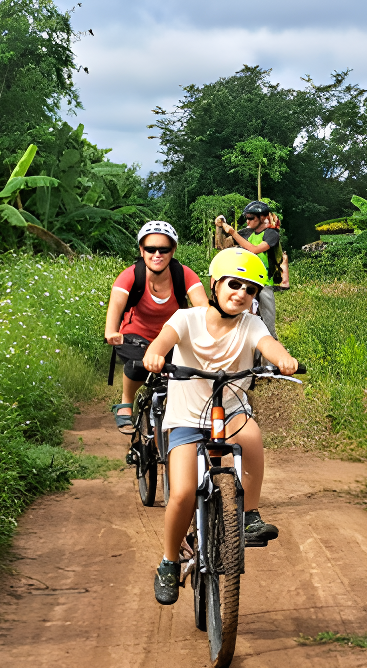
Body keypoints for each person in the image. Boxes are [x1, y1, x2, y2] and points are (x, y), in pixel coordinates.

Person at [142, 247, 298, 605]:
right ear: (215, 284)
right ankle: (168, 562)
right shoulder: (186, 319)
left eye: (250, 290)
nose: (241, 293)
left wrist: (283, 359)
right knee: (181, 493)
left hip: (230, 411)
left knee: (252, 435)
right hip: (186, 418)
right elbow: (163, 341)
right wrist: (155, 354)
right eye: (234, 284)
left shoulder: (251, 323)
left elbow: (268, 344)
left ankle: (249, 514)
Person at [104, 221, 206, 432]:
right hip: (136, 336)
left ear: (173, 250)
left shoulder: (184, 274)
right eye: (150, 249)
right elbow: (116, 306)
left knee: (186, 373)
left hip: (172, 337)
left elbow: (203, 309)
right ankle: (126, 402)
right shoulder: (131, 275)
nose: (157, 254)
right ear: (142, 250)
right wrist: (112, 332)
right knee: (137, 366)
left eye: (164, 249)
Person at [217, 200, 281, 335]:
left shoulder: (271, 234)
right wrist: (220, 226)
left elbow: (255, 249)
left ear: (263, 218)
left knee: (268, 324)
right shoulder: (247, 233)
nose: (248, 221)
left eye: (251, 218)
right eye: (246, 218)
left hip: (263, 282)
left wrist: (234, 233)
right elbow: (222, 245)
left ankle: (271, 348)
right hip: (245, 280)